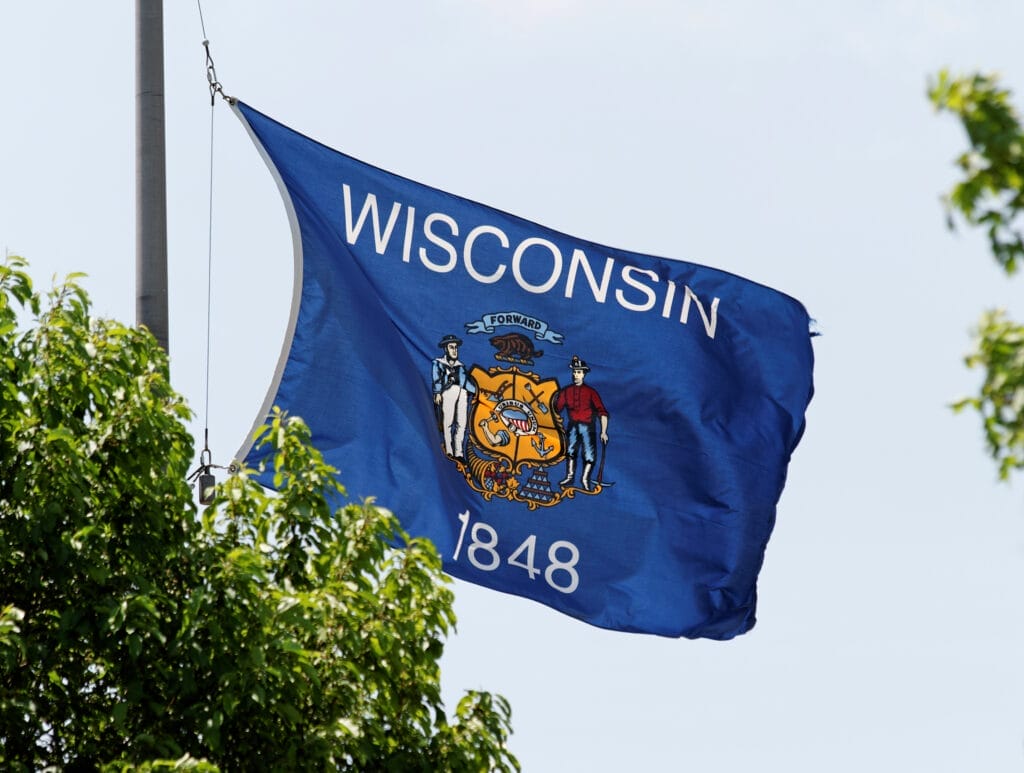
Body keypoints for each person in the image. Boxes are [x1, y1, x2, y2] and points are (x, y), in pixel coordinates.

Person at [554, 355, 609, 491]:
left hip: (588, 427)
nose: (575, 375)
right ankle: (570, 476)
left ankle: (585, 479)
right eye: (574, 372)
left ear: (584, 374)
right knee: (570, 451)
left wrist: (603, 432)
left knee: (589, 455)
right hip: (572, 426)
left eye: (578, 372)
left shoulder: (591, 392)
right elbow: (556, 409)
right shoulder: (566, 391)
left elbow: (602, 412)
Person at [432, 334, 477, 460]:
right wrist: (437, 392)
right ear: (446, 349)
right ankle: (449, 450)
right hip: (448, 391)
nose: (454, 350)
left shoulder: (460, 366)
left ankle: (459, 452)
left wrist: (477, 392)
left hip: (462, 392)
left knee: (461, 423)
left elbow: (465, 382)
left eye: (456, 348)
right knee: (448, 422)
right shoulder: (439, 363)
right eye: (451, 347)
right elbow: (436, 380)